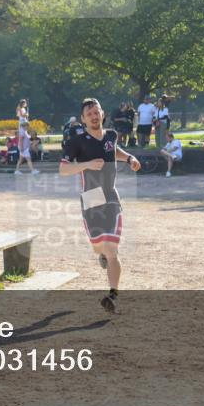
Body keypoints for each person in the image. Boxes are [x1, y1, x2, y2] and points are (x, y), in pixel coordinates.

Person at [59, 98, 141, 314]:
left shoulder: (111, 135)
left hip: (111, 196)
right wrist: (86, 164)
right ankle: (101, 254)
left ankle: (113, 294)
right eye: (89, 114)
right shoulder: (76, 141)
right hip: (91, 197)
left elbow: (114, 150)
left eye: (97, 112)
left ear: (102, 114)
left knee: (113, 248)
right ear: (84, 119)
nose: (94, 116)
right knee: (99, 246)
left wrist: (130, 158)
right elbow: (63, 169)